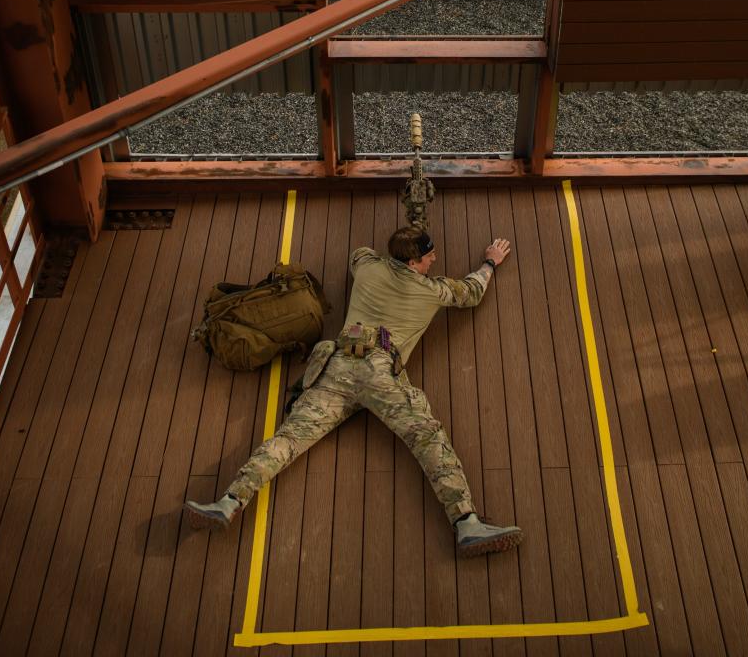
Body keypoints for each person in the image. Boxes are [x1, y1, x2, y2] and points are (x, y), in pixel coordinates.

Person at [185, 226, 522, 558]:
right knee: (427, 439)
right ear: (412, 263)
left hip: (336, 367)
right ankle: (467, 523)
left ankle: (229, 502)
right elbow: (472, 291)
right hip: (379, 372)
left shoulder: (367, 266)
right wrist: (489, 263)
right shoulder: (433, 291)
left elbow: (359, 253)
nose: (434, 258)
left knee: (289, 440)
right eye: (428, 255)